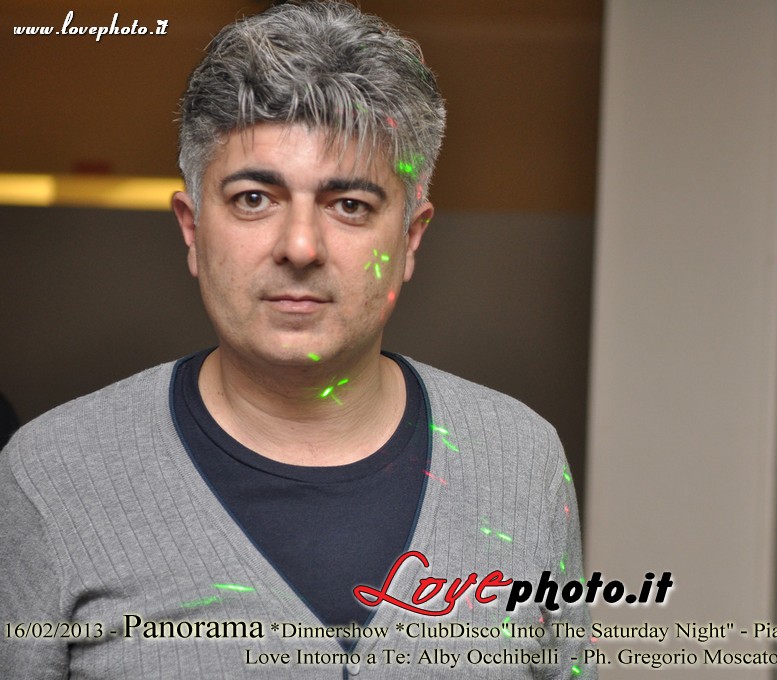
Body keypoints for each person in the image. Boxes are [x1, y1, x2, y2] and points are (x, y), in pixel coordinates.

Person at [0, 2, 590, 678]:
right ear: (192, 228)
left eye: (350, 205)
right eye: (254, 198)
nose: (301, 247)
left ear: (410, 239)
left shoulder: (521, 462)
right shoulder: (52, 476)